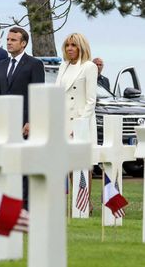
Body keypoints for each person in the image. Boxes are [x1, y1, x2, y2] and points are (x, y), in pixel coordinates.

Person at [0, 27, 45, 209]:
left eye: (13, 40)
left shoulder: (34, 64)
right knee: (6, 163)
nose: (9, 42)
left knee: (24, 164)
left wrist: (32, 121)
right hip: (4, 123)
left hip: (25, 123)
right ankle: (7, 199)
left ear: (23, 43)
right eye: (8, 39)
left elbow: (38, 95)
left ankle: (25, 205)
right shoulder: (1, 65)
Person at [56, 33, 98, 214]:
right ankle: (76, 200)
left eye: (74, 45)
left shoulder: (89, 67)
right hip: (63, 121)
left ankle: (84, 202)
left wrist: (79, 125)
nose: (70, 48)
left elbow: (91, 100)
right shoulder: (63, 66)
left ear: (81, 47)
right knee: (68, 163)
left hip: (81, 121)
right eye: (67, 45)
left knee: (82, 163)